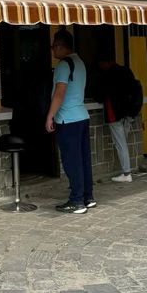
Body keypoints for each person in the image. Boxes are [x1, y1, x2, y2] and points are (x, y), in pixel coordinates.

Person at [45, 29, 95, 214]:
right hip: (82, 117)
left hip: (68, 120)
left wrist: (50, 115)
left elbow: (59, 93)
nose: (52, 51)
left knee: (72, 162)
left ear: (60, 46)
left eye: (53, 47)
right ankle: (87, 197)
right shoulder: (79, 62)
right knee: (83, 160)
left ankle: (76, 201)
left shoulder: (63, 65)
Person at [95, 52, 137, 183]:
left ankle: (126, 173)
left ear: (105, 63)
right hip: (128, 113)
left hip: (114, 114)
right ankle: (126, 171)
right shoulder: (126, 70)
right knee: (123, 142)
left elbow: (100, 95)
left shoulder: (107, 75)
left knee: (121, 144)